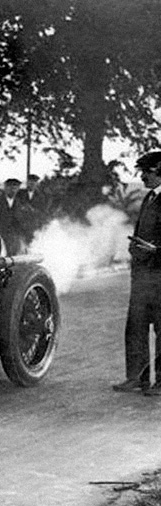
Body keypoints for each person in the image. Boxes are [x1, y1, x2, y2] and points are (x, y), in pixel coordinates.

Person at [114, 151, 161, 395]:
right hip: (142, 275)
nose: (142, 177)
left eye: (146, 172)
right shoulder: (149, 198)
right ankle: (136, 377)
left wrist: (156, 250)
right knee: (136, 326)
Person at [0, 178, 29, 255]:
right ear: (5, 187)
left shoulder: (21, 203)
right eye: (10, 186)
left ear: (18, 189)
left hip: (15, 240)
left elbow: (23, 222)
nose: (12, 189)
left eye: (15, 187)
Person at [17, 174, 49, 242]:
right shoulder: (20, 193)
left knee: (33, 242)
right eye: (30, 182)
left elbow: (43, 210)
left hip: (34, 224)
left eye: (34, 182)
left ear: (37, 184)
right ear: (27, 182)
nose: (32, 184)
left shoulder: (41, 196)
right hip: (21, 223)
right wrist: (22, 208)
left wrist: (33, 210)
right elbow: (15, 204)